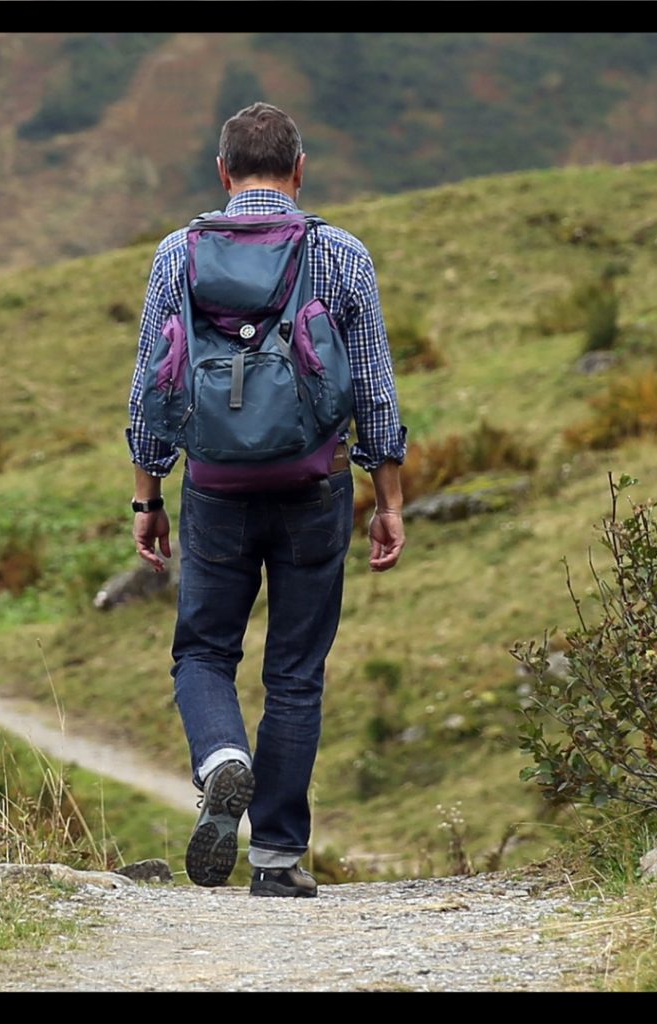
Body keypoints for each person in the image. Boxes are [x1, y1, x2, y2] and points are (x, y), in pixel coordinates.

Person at [126, 102, 407, 898]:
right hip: (314, 485)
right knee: (295, 672)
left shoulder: (177, 254)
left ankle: (222, 759)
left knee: (204, 651)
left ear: (222, 172)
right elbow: (376, 390)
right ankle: (278, 858)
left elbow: (153, 383)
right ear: (299, 169)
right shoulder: (341, 254)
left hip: (214, 487)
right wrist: (387, 497)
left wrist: (148, 494)